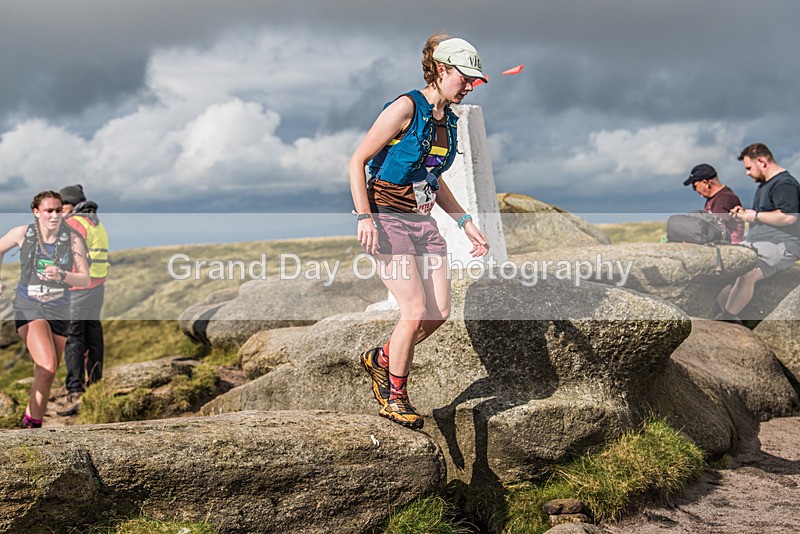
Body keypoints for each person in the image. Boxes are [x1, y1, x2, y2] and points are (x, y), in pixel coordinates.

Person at [349, 34, 490, 429]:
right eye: (465, 78)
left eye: (474, 81)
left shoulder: (450, 123)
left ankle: (380, 358)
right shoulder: (405, 107)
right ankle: (395, 397)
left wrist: (465, 222)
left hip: (423, 223)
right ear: (442, 70)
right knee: (413, 311)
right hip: (386, 219)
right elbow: (357, 160)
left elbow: (433, 179)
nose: (470, 86)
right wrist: (365, 218)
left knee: (439, 312)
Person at [0, 191, 90, 428]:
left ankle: (30, 426)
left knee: (46, 374)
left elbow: (84, 279)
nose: (54, 215)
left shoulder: (73, 239)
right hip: (29, 307)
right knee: (47, 366)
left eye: (58, 210)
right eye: (48, 210)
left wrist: (63, 274)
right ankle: (31, 426)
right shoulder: (22, 233)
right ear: (36, 212)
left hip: (60, 310)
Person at [716, 143, 800, 322]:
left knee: (747, 273)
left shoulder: (785, 184)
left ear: (761, 161)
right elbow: (765, 215)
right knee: (725, 272)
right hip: (758, 242)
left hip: (782, 244)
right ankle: (734, 320)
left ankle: (727, 320)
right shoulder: (765, 185)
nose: (747, 173)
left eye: (748, 168)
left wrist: (755, 216)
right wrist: (744, 213)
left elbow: (788, 217)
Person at [55, 184, 110, 416]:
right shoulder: (94, 222)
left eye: (62, 206)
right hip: (96, 287)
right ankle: (95, 385)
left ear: (71, 204)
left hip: (78, 288)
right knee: (93, 335)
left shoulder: (73, 223)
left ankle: (75, 392)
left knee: (74, 339)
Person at [683, 163, 745, 244]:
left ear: (705, 183)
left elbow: (715, 229)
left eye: (695, 186)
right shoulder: (715, 198)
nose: (695, 190)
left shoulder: (724, 199)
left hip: (729, 247)